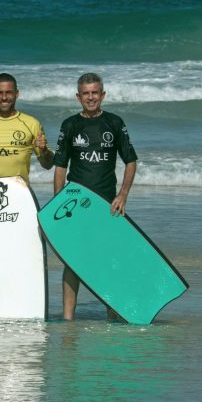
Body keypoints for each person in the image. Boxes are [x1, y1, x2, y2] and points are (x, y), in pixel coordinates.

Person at [52, 73, 138, 320]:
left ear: (103, 95)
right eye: (86, 93)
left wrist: (122, 195)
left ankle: (112, 313)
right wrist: (58, 201)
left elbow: (130, 161)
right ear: (78, 96)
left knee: (108, 259)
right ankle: (68, 318)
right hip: (76, 204)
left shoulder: (114, 122)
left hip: (106, 204)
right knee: (73, 261)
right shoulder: (70, 125)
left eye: (95, 93)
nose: (91, 97)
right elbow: (60, 166)